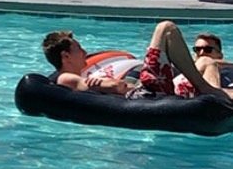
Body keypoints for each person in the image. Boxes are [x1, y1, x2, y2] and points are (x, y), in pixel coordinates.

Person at [41, 21, 227, 100]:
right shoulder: (65, 78)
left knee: (206, 63)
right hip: (144, 93)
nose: (85, 52)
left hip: (149, 90)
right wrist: (108, 84)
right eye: (79, 48)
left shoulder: (85, 71)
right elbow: (114, 87)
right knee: (166, 28)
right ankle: (208, 91)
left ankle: (214, 95)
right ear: (65, 56)